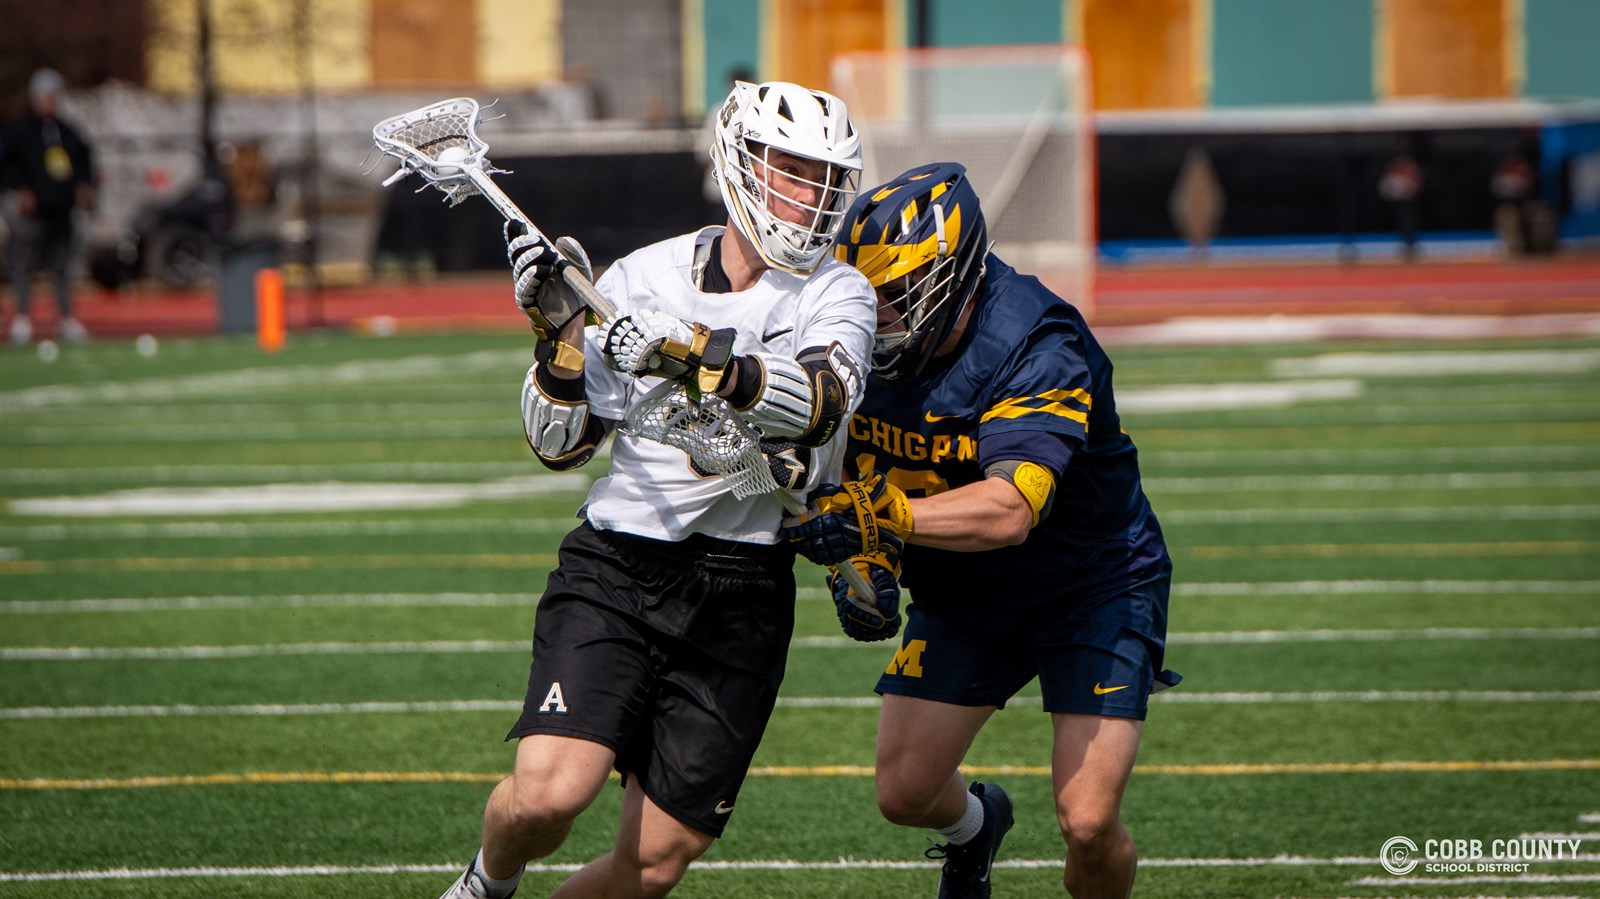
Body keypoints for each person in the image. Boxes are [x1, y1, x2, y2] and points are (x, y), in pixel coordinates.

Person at [438, 79, 874, 899]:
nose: (809, 195)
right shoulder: (643, 277)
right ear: (740, 164)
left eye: (824, 178)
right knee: (545, 797)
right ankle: (484, 884)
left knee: (658, 858)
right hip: (619, 566)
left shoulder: (836, 292)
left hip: (742, 589)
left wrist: (708, 362)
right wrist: (561, 342)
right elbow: (558, 446)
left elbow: (822, 405)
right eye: (791, 169)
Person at [782, 162, 1180, 899]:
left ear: (949, 276)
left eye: (894, 298)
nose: (878, 320)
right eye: (867, 300)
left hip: (1091, 582)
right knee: (904, 792)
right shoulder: (854, 346)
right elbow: (838, 476)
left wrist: (888, 520)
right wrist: (860, 564)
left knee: (1087, 821)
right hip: (965, 583)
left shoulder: (1037, 338)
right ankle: (977, 828)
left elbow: (1011, 509)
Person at [2, 68, 96, 344]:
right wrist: (19, 190)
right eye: (46, 97)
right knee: (24, 264)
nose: (50, 103)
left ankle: (66, 318)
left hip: (61, 212)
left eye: (54, 97)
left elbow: (83, 164)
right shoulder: (19, 131)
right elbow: (7, 166)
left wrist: (84, 186)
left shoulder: (68, 132)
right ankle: (21, 318)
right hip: (31, 214)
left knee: (62, 267)